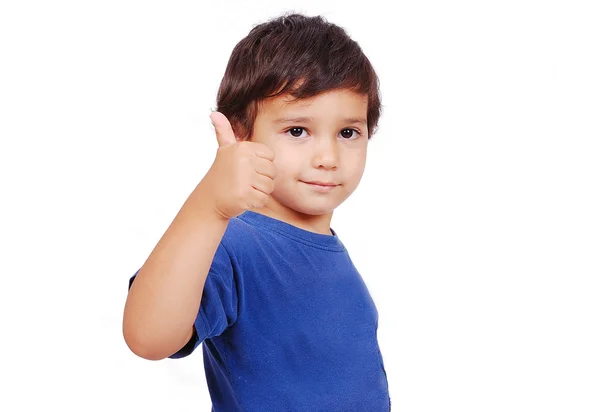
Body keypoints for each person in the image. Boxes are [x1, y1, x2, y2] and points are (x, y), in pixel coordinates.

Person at [122, 12, 390, 411]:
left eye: (347, 132)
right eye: (297, 131)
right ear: (241, 134)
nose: (328, 157)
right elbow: (148, 336)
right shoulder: (234, 243)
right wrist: (208, 205)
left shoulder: (329, 250)